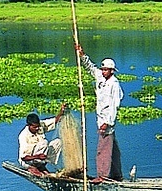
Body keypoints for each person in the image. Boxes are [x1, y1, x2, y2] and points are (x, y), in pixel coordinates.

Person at [77, 45, 124, 182]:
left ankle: (102, 176)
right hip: (101, 119)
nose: (103, 71)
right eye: (102, 69)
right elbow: (90, 68)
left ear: (111, 71)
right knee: (112, 148)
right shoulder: (101, 78)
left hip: (106, 122)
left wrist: (107, 123)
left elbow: (114, 105)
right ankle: (116, 175)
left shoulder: (114, 85)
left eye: (105, 70)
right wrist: (82, 55)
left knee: (103, 149)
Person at [18, 102, 67, 176]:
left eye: (38, 126)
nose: (37, 128)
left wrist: (61, 112)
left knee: (58, 142)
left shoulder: (40, 125)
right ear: (29, 125)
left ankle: (42, 165)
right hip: (28, 162)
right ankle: (34, 167)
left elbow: (55, 121)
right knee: (44, 142)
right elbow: (23, 158)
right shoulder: (23, 136)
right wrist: (37, 156)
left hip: (40, 158)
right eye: (35, 127)